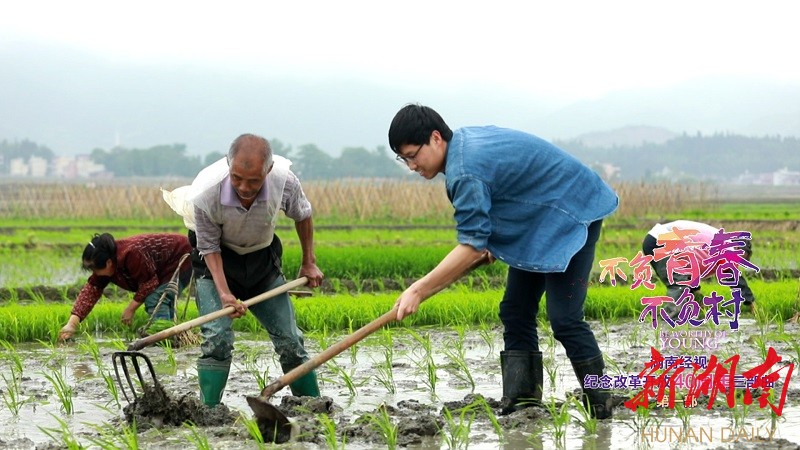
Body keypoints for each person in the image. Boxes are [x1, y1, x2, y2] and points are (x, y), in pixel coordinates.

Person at [387, 104, 619, 419]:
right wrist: (489, 242)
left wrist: (418, 290)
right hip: (539, 221)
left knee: (565, 318)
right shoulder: (463, 148)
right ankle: (523, 406)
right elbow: (505, 195)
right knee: (516, 310)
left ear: (436, 138)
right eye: (405, 159)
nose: (412, 166)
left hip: (574, 209)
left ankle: (602, 407)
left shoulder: (464, 170)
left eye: (413, 155)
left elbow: (470, 245)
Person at [189, 133, 324, 407]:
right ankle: (209, 411)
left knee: (289, 340)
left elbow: (303, 214)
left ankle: (313, 406)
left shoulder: (284, 181)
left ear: (268, 170)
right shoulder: (205, 194)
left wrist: (308, 260)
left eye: (254, 180)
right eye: (237, 178)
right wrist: (225, 293)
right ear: (229, 166)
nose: (244, 187)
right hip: (216, 263)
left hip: (262, 262)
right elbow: (209, 248)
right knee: (217, 338)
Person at [59, 233, 192, 341]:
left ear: (109, 262)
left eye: (95, 269)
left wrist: (130, 309)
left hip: (180, 256)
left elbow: (149, 283)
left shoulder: (131, 253)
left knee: (156, 299)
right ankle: (170, 336)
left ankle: (164, 339)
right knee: (161, 299)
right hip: (161, 268)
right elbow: (90, 292)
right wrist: (72, 324)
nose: (95, 273)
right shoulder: (105, 263)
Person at [642, 220, 757, 319]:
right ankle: (672, 324)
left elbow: (689, 271)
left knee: (685, 287)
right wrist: (751, 302)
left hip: (655, 239)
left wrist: (696, 293)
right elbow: (734, 279)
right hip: (663, 241)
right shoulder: (727, 246)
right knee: (679, 285)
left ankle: (681, 318)